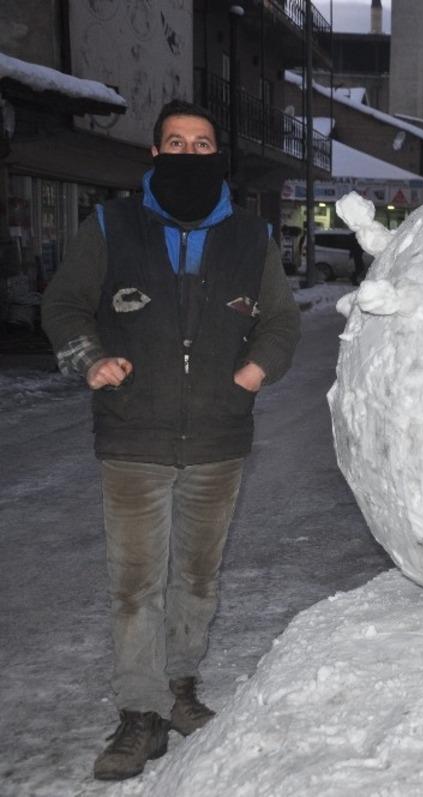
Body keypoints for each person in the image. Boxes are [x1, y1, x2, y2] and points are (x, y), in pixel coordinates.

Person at [42, 100, 301, 781]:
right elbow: (64, 304)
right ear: (155, 153)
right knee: (135, 584)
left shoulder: (251, 235)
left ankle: (179, 686)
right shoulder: (112, 225)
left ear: (218, 154)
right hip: (133, 434)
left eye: (202, 143)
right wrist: (90, 358)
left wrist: (255, 371)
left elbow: (280, 320)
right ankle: (140, 711)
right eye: (176, 143)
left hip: (219, 436)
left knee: (196, 578)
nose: (189, 153)